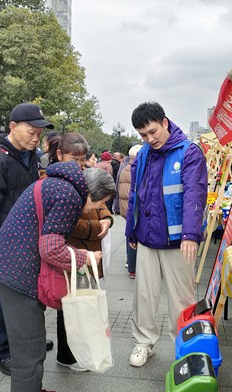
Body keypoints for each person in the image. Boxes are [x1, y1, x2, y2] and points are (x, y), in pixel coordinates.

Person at [0, 162, 115, 392]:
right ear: (91, 193)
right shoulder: (70, 196)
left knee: (33, 346)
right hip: (17, 275)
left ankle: (34, 391)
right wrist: (86, 256)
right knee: (29, 354)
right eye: (100, 203)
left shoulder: (57, 183)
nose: (98, 208)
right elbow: (50, 249)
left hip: (11, 267)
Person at [0, 102, 54, 376]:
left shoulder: (28, 155)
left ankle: (24, 340)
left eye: (39, 133)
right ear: (12, 127)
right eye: (31, 131)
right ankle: (2, 352)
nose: (36, 138)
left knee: (24, 295)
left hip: (23, 240)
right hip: (0, 246)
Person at [125, 102, 207, 367]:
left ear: (165, 122)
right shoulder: (144, 155)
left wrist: (191, 235)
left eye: (152, 132)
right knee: (145, 294)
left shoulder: (189, 152)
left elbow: (195, 193)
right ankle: (144, 342)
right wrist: (131, 230)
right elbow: (135, 195)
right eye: (143, 136)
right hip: (148, 235)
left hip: (179, 240)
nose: (150, 139)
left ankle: (183, 345)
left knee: (181, 297)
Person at [47, 132, 114, 372]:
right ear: (59, 155)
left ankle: (78, 351)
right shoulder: (60, 185)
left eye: (82, 159)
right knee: (70, 304)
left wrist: (107, 219)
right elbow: (70, 223)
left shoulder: (85, 177)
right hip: (74, 251)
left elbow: (102, 201)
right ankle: (67, 355)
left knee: (81, 303)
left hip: (88, 251)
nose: (79, 164)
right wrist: (97, 226)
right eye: (74, 159)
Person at [117, 144, 143, 279]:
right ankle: (134, 266)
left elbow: (118, 187)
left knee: (130, 236)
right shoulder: (139, 169)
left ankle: (131, 265)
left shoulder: (124, 169)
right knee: (135, 237)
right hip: (135, 209)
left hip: (125, 207)